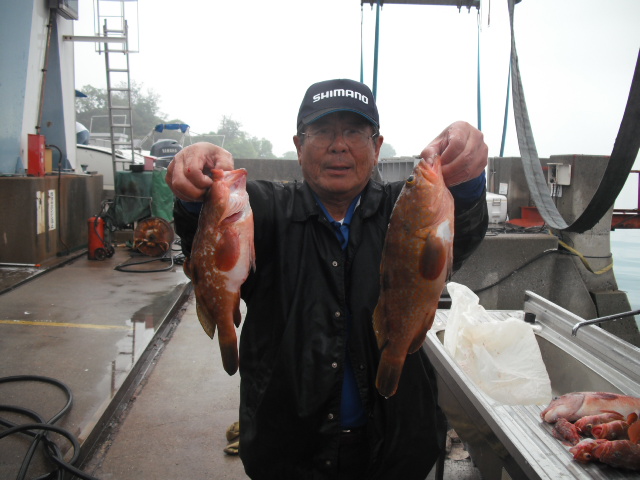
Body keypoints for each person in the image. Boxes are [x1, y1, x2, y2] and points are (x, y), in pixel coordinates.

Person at [166, 78, 488, 479]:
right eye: (321, 132)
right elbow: (207, 237)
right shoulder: (259, 210)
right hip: (287, 454)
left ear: (377, 147)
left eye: (354, 132)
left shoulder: (407, 208)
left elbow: (464, 229)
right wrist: (196, 185)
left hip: (396, 451)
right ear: (299, 146)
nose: (339, 145)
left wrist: (468, 175)